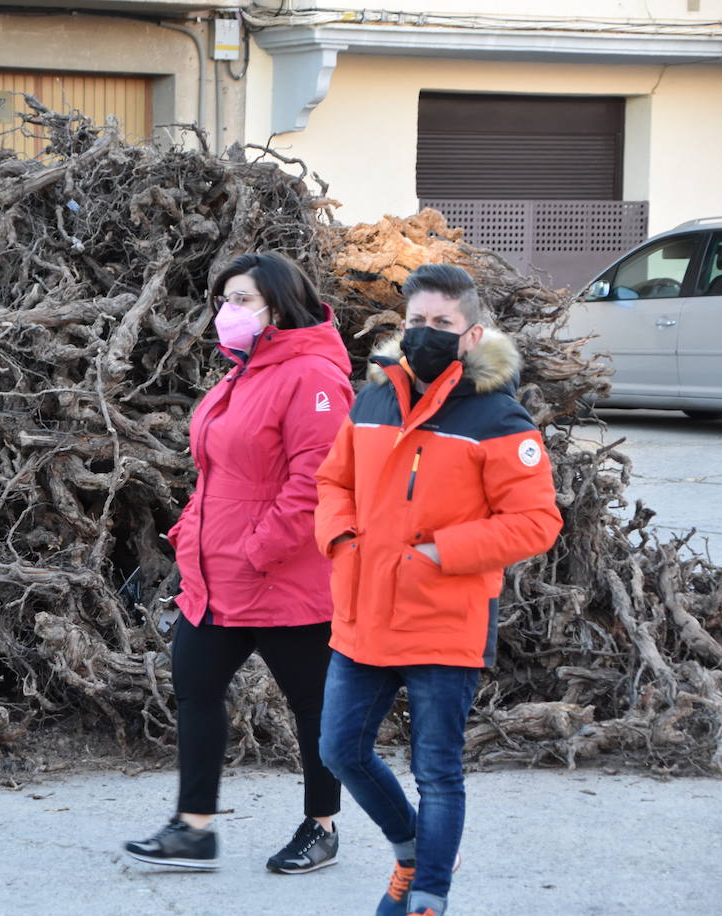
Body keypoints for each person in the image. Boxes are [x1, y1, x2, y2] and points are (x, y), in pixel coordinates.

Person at [314, 263, 563, 916]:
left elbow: (537, 521)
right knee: (339, 749)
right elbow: (332, 482)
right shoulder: (371, 397)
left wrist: (442, 551)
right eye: (415, 321)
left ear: (472, 334)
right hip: (365, 611)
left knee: (437, 775)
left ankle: (426, 897)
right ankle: (411, 851)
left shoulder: (498, 417)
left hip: (445, 618)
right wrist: (341, 538)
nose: (424, 333)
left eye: (441, 323)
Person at [123, 252, 354, 874]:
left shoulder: (313, 376)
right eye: (223, 299)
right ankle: (194, 829)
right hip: (215, 573)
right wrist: (188, 531)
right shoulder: (240, 375)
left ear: (278, 306)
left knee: (312, 705)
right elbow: (218, 473)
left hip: (285, 579)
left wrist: (259, 550)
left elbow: (318, 480)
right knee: (196, 690)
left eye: (242, 299)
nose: (228, 311)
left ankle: (322, 826)